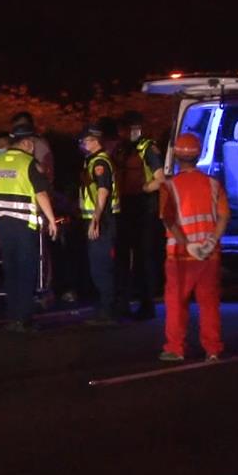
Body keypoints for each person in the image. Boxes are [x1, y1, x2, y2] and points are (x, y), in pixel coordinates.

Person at [157, 134, 230, 362]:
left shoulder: (168, 186)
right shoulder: (213, 184)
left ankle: (176, 349)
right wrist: (210, 242)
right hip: (209, 255)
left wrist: (186, 245)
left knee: (176, 304)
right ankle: (213, 349)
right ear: (198, 156)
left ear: (176, 156)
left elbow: (167, 220)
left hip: (180, 257)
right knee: (209, 303)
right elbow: (224, 216)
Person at [0, 124, 58, 332]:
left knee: (11, 270)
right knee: (26, 271)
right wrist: (51, 220)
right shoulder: (29, 163)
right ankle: (24, 319)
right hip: (25, 226)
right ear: (24, 143)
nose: (33, 146)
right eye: (31, 142)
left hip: (3, 226)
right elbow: (41, 194)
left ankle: (13, 317)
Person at [115, 110, 166, 320]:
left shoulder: (147, 148)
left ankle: (146, 304)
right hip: (126, 206)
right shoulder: (123, 148)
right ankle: (124, 303)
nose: (128, 132)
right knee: (123, 257)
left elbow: (161, 178)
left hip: (144, 208)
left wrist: (144, 189)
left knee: (143, 258)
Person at [79, 124, 121, 326]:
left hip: (102, 221)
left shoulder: (100, 162)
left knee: (101, 267)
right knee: (99, 266)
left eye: (85, 141)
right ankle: (106, 309)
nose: (83, 144)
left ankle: (108, 312)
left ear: (95, 141)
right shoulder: (94, 161)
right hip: (100, 219)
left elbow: (103, 191)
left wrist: (95, 220)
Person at [10, 112, 54, 183]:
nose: (20, 130)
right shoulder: (19, 144)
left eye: (22, 126)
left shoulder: (38, 145)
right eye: (17, 128)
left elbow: (40, 171)